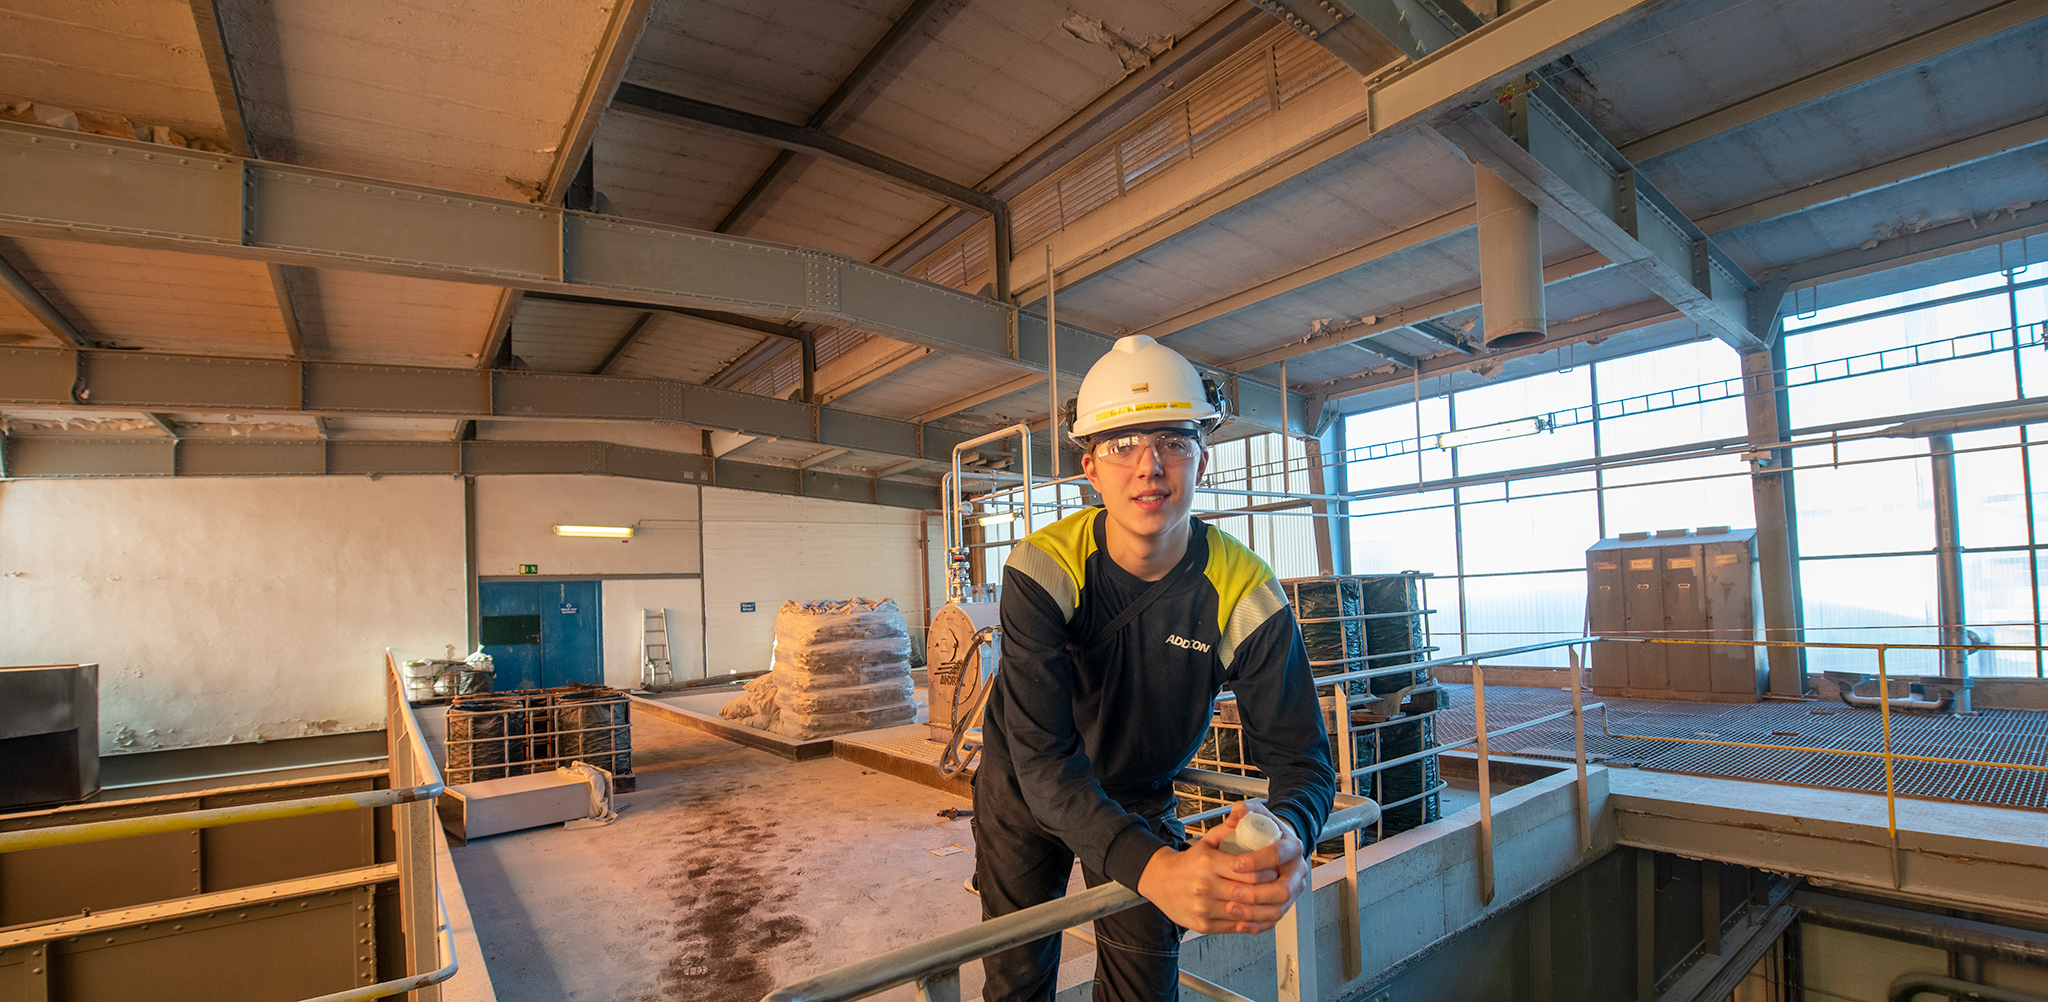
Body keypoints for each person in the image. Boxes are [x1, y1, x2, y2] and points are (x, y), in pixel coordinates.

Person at [972, 334, 1338, 1002]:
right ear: (1090, 467)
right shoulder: (1043, 569)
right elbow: (1044, 761)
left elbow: (1303, 759)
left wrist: (1288, 831)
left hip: (1135, 792)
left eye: (1172, 439)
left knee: (1144, 980)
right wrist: (1155, 870)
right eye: (1121, 445)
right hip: (1024, 794)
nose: (1149, 466)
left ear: (1202, 456)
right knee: (1018, 975)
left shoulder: (1243, 589)